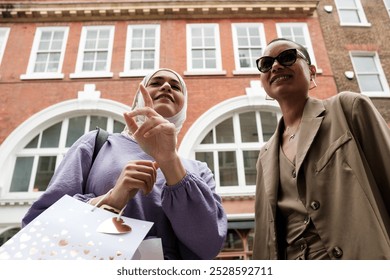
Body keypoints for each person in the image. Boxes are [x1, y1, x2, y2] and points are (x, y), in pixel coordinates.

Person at [22, 68, 228, 260]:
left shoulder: (199, 171)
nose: (166, 87)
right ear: (138, 98)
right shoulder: (98, 144)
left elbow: (208, 246)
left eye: (175, 87)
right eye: (156, 83)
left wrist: (169, 160)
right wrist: (111, 200)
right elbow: (39, 223)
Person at [252, 38, 390, 260]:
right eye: (266, 64)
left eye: (287, 57)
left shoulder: (349, 108)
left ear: (312, 72)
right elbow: (264, 239)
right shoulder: (265, 156)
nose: (276, 66)